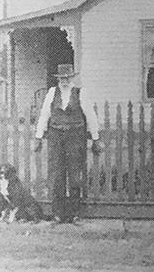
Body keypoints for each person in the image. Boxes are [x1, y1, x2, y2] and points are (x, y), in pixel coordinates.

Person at [33, 64, 102, 224]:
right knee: (57, 175)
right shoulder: (52, 92)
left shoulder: (80, 93)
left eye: (67, 78)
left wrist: (95, 138)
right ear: (58, 79)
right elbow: (44, 115)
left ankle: (74, 213)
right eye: (61, 78)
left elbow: (90, 115)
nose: (64, 81)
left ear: (72, 78)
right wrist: (38, 136)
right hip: (56, 137)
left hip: (75, 137)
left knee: (75, 175)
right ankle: (58, 214)